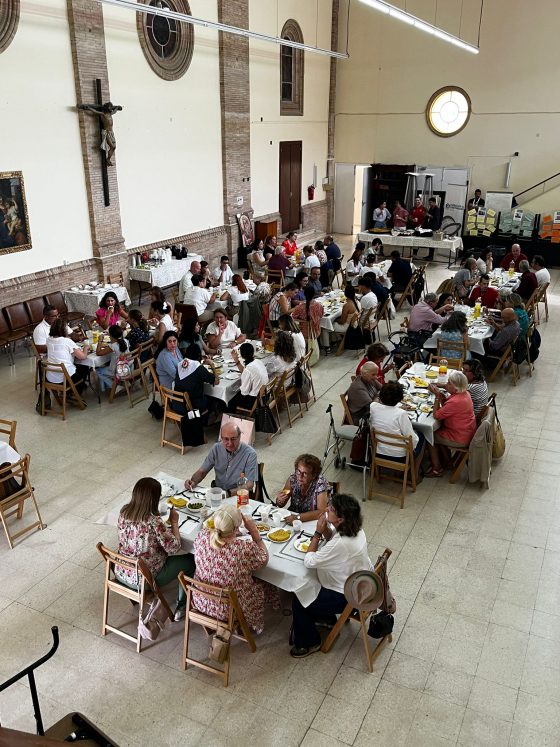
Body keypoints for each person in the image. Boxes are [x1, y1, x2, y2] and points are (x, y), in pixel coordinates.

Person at [290, 493, 370, 658]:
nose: (326, 509)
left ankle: (309, 641)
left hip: (346, 595)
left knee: (299, 598)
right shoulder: (356, 530)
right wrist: (326, 529)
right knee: (309, 583)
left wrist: (318, 533)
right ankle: (326, 618)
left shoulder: (342, 543)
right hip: (360, 583)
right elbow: (332, 539)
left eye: (331, 509)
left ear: (340, 519)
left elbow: (309, 561)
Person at [115, 477, 195, 622]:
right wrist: (175, 523)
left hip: (122, 572)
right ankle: (181, 606)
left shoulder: (124, 512)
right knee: (191, 560)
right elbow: (174, 548)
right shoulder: (153, 521)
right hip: (142, 579)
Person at [193, 504, 269, 634]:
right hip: (229, 608)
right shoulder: (242, 548)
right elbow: (264, 559)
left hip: (201, 601)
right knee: (265, 582)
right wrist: (254, 532)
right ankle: (252, 624)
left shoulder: (202, 536)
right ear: (236, 528)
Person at [426, 370, 477, 477]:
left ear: (456, 387)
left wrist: (437, 396)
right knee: (436, 430)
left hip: (459, 437)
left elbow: (437, 415)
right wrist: (441, 388)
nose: (446, 384)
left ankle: (437, 468)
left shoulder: (456, 401)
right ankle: (447, 461)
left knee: (430, 436)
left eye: (449, 383)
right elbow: (448, 406)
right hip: (467, 431)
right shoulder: (465, 393)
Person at [185, 422, 258, 495]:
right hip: (218, 491)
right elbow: (202, 471)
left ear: (239, 437)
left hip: (239, 495)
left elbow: (249, 485)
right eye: (226, 439)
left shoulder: (250, 454)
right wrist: (193, 482)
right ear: (221, 438)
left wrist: (228, 494)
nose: (230, 443)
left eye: (233, 439)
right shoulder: (216, 448)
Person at [370, 381, 425, 460]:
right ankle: (413, 469)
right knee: (421, 436)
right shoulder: (401, 414)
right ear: (400, 398)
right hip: (399, 455)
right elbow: (411, 438)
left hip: (379, 450)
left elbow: (384, 408)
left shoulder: (373, 406)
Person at [276, 454, 330, 524]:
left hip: (313, 522)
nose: (300, 476)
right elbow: (281, 504)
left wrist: (297, 517)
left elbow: (321, 512)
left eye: (305, 473)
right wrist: (280, 500)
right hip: (293, 520)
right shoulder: (293, 478)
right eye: (298, 471)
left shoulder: (320, 484)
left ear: (313, 475)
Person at [45, 317, 90, 392]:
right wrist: (86, 348)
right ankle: (76, 391)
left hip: (51, 376)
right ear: (64, 330)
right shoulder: (66, 341)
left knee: (78, 366)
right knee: (84, 367)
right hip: (64, 377)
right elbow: (83, 357)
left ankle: (71, 391)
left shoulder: (49, 340)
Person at [174, 344, 219, 416]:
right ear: (198, 355)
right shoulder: (199, 369)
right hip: (192, 407)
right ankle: (205, 420)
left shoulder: (180, 365)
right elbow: (216, 381)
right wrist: (211, 364)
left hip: (178, 404)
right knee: (213, 397)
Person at [227, 342, 268, 413]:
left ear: (242, 356)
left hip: (254, 400)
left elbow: (244, 392)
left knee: (229, 400)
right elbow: (246, 372)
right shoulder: (258, 361)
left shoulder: (248, 369)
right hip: (265, 396)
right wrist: (236, 360)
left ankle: (233, 421)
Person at [95, 324, 129, 392]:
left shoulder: (113, 346)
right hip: (127, 366)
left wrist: (100, 341)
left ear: (111, 336)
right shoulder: (125, 341)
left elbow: (98, 353)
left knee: (98, 371)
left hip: (118, 370)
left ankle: (113, 386)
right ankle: (104, 388)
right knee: (106, 364)